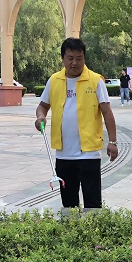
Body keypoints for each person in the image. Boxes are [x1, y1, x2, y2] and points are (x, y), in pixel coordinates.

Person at [35, 38, 118, 208]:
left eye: (79, 58)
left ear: (84, 58)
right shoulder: (54, 80)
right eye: (70, 58)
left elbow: (107, 112)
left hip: (89, 153)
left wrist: (113, 142)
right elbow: (42, 106)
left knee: (93, 205)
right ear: (63, 58)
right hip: (63, 154)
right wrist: (40, 117)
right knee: (68, 204)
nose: (75, 63)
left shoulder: (95, 81)